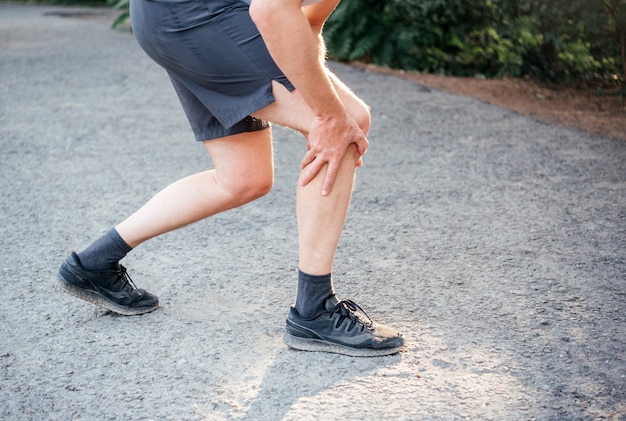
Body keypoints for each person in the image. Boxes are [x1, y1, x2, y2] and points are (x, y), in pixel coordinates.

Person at [57, 0, 404, 357]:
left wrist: (325, 107)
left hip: (173, 17)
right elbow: (273, 12)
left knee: (243, 177)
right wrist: (331, 118)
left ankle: (93, 263)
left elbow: (306, 22)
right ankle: (314, 310)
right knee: (345, 122)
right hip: (197, 16)